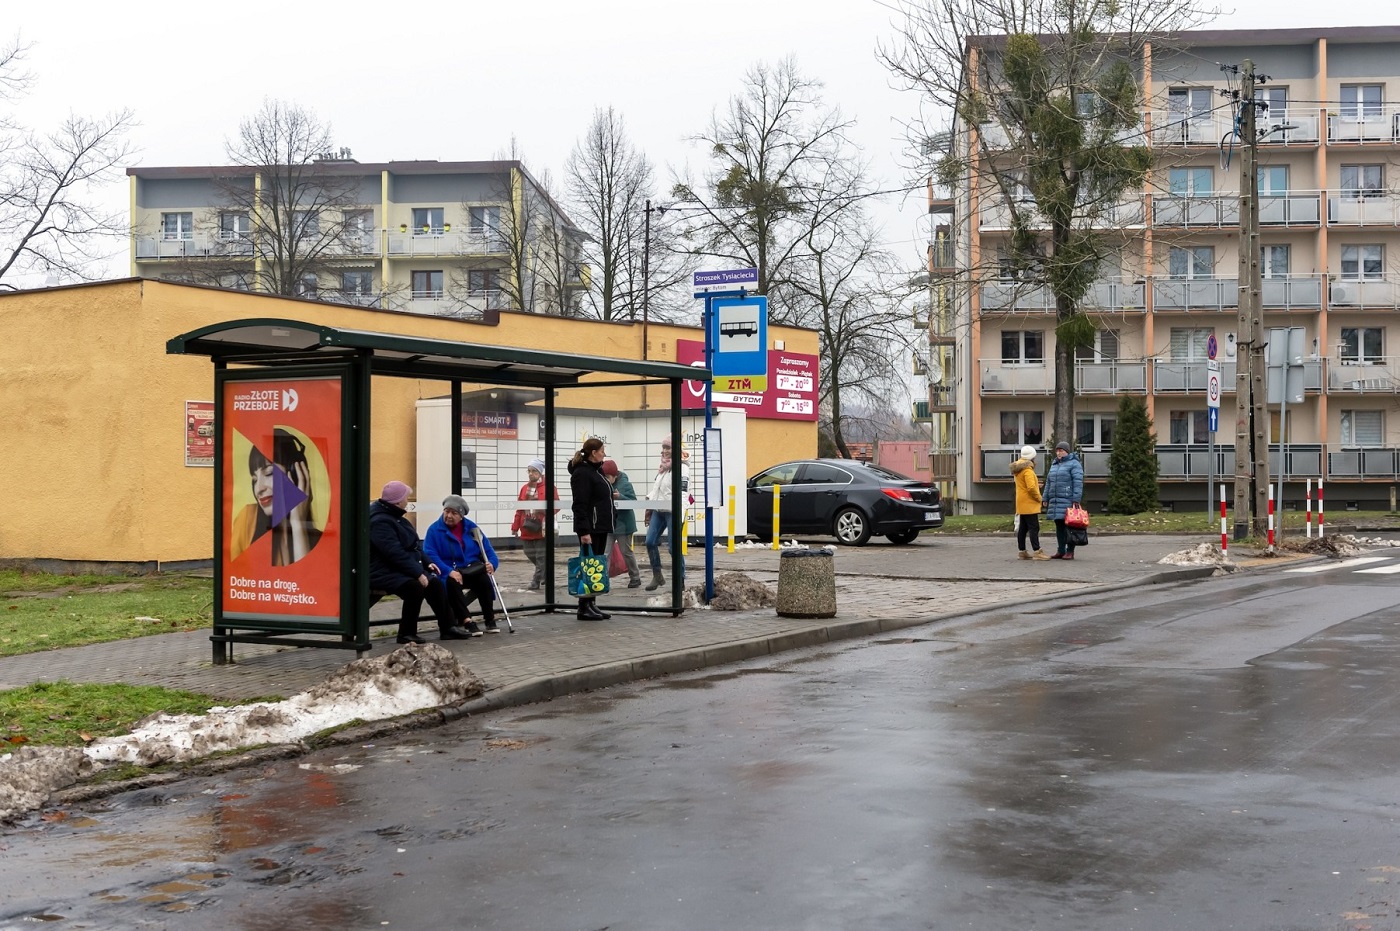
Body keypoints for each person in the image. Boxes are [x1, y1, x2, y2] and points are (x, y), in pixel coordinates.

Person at [368, 481, 471, 644]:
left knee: (435, 584)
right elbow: (394, 553)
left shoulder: (394, 516)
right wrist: (418, 573)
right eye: (406, 498)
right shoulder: (381, 522)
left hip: (395, 568)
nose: (408, 501)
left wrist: (427, 562)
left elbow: (413, 546)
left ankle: (448, 628)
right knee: (414, 587)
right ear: (397, 501)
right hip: (381, 570)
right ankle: (406, 633)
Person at [229, 428, 322, 566]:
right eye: (254, 479)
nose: (259, 488)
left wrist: (298, 525)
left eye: (269, 473)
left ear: (296, 474)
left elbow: (305, 582)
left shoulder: (321, 541)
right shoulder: (247, 520)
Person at [424, 495, 501, 635]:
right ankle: (467, 621)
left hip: (470, 569)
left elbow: (488, 550)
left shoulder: (472, 528)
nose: (449, 516)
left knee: (484, 579)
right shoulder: (434, 530)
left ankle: (490, 619)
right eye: (446, 511)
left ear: (461, 516)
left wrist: (492, 564)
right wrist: (448, 571)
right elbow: (430, 555)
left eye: (454, 513)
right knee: (452, 582)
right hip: (448, 571)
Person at [568, 437, 615, 621]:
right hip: (591, 528)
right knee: (588, 566)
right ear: (593, 453)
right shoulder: (582, 473)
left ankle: (591, 604)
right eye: (602, 451)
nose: (604, 454)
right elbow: (580, 504)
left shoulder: (596, 471)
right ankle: (583, 606)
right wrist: (584, 531)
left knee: (595, 567)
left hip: (600, 527)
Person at [643, 436, 689, 592]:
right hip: (659, 510)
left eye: (668, 448)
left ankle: (680, 579)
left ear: (675, 449)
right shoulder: (663, 468)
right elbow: (657, 490)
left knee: (673, 548)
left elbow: (683, 493)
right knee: (650, 542)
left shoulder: (682, 468)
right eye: (663, 448)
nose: (664, 451)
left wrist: (679, 514)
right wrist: (649, 504)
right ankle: (657, 575)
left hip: (673, 512)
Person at [510, 458, 557, 591]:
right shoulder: (525, 488)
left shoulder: (549, 487)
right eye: (529, 471)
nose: (531, 474)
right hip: (527, 527)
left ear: (540, 472)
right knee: (528, 552)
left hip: (541, 527)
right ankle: (546, 573)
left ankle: (535, 581)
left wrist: (543, 510)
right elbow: (519, 509)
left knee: (541, 556)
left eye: (534, 471)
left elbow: (556, 505)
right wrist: (515, 526)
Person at [602, 458, 643, 588]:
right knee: (605, 553)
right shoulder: (602, 484)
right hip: (608, 524)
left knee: (626, 552)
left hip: (624, 525)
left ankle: (635, 577)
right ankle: (602, 580)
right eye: (604, 477)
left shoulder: (625, 484)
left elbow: (633, 502)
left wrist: (620, 497)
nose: (606, 480)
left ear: (615, 475)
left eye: (608, 477)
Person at [1044, 440, 1085, 560]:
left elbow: (1078, 483)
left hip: (1068, 499)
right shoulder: (1054, 464)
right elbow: (1048, 482)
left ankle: (1070, 551)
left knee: (1070, 526)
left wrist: (1076, 499)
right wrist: (1045, 497)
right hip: (1055, 500)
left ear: (1067, 451)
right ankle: (1060, 550)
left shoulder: (1074, 464)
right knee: (1059, 525)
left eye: (1061, 450)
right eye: (1057, 450)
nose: (1058, 453)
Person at [1011, 445, 1050, 560]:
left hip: (1021, 501)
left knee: (1023, 528)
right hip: (1029, 503)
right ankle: (1037, 551)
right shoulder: (1027, 470)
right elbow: (1031, 488)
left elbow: (1024, 485)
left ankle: (1022, 551)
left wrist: (1035, 485)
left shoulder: (1018, 468)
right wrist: (1040, 498)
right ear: (1032, 457)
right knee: (1034, 527)